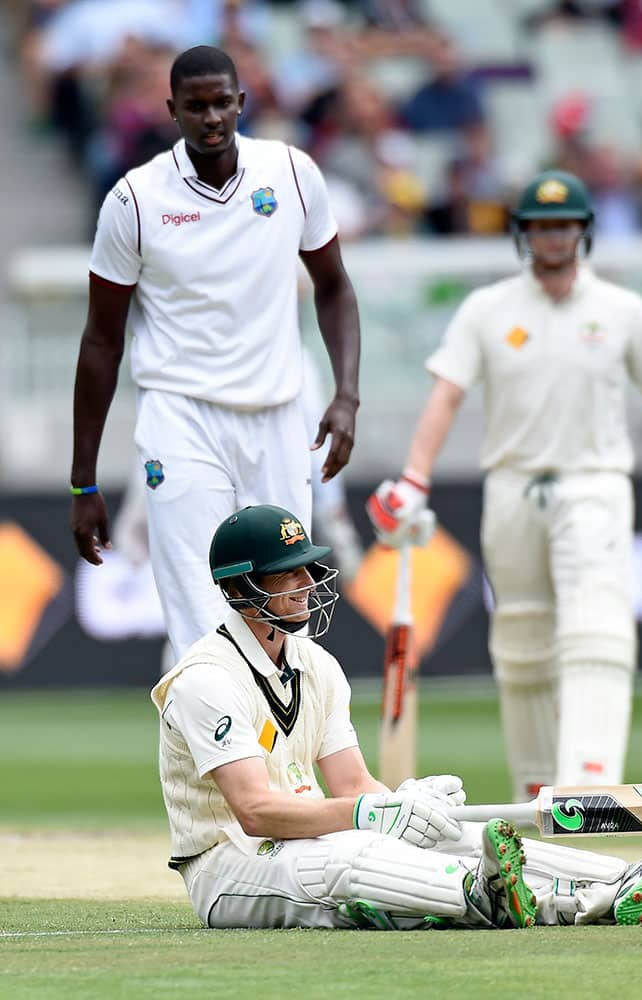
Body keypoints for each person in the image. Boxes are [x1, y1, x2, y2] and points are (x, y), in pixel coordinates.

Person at [367, 169, 642, 803]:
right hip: (511, 487)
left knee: (595, 624)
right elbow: (445, 397)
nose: (552, 239)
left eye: (562, 227)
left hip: (594, 485)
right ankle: (539, 788)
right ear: (522, 236)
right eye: (539, 227)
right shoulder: (487, 309)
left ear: (582, 233)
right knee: (522, 640)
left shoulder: (621, 310)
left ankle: (591, 782)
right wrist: (415, 480)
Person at [150, 502, 642, 930]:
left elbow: (354, 786)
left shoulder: (316, 665)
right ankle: (523, 899)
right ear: (241, 585)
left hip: (300, 839)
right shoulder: (206, 679)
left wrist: (405, 806)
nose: (307, 583)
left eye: (307, 569)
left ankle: (616, 884)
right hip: (229, 869)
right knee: (352, 855)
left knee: (450, 834)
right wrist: (373, 815)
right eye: (288, 573)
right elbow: (254, 811)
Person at [70, 45, 361, 665]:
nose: (210, 118)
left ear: (241, 104)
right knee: (202, 617)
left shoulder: (291, 174)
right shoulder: (135, 201)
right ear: (171, 110)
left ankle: (282, 765)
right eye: (195, 106)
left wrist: (346, 395)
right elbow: (100, 340)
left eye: (221, 103)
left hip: (278, 415)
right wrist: (83, 480)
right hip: (181, 418)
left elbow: (334, 287)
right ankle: (212, 764)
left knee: (287, 612)